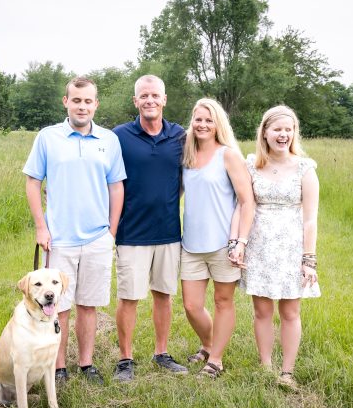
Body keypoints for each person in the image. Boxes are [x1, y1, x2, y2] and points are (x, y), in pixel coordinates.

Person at [23, 77, 126, 385]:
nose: (82, 106)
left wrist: (111, 231)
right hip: (60, 239)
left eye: (88, 101)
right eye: (76, 100)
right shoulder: (47, 137)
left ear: (96, 104)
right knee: (58, 307)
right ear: (65, 102)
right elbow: (32, 182)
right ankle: (58, 368)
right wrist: (41, 227)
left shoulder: (109, 140)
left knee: (88, 304)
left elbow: (116, 186)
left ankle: (86, 363)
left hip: (97, 237)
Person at [111, 75, 188, 381]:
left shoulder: (180, 136)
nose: (150, 100)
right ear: (136, 101)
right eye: (144, 96)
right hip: (131, 232)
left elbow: (185, 180)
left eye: (155, 95)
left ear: (164, 99)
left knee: (164, 295)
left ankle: (161, 353)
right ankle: (125, 360)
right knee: (129, 297)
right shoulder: (119, 136)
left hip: (168, 232)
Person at [240, 105, 320, 391]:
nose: (283, 134)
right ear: (265, 132)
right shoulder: (251, 165)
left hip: (290, 249)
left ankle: (287, 372)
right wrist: (239, 243)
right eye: (277, 129)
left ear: (294, 133)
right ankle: (265, 366)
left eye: (289, 129)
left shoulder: (305, 169)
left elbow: (310, 219)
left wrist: (308, 260)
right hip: (259, 246)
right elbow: (243, 205)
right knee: (261, 312)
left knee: (290, 312)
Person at [180, 98, 254, 379]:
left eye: (208, 120)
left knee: (223, 302)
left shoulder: (228, 155)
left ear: (217, 124)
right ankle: (208, 344)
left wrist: (241, 242)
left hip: (225, 244)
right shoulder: (186, 154)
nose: (202, 124)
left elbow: (247, 202)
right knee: (191, 305)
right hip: (191, 244)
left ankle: (216, 360)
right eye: (198, 119)